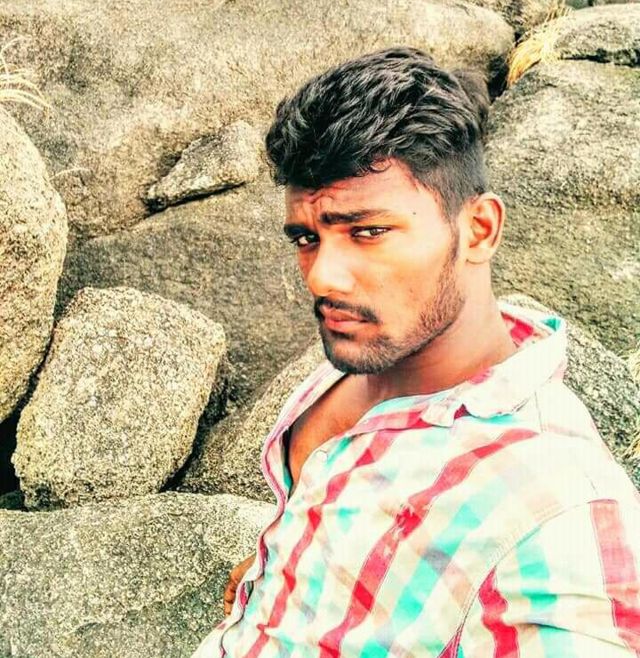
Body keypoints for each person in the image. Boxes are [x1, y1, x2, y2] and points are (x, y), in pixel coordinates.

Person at [192, 47, 640, 658]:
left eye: (368, 232)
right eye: (307, 237)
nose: (322, 278)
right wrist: (283, 574)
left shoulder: (558, 512)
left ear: (479, 229)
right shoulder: (378, 348)